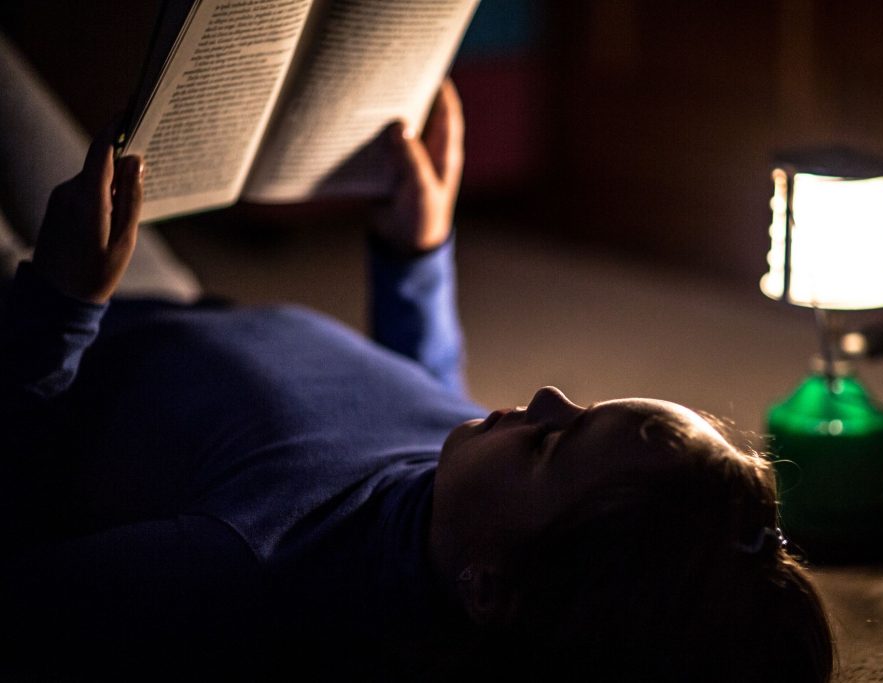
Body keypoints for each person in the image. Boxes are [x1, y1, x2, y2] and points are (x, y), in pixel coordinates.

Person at [0, 52, 833, 682]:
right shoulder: (469, 491)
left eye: (552, 442)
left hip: (42, 331)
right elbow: (423, 395)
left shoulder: (249, 565)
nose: (547, 396)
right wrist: (416, 256)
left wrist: (61, 307)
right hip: (150, 289)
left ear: (488, 586)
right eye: (582, 409)